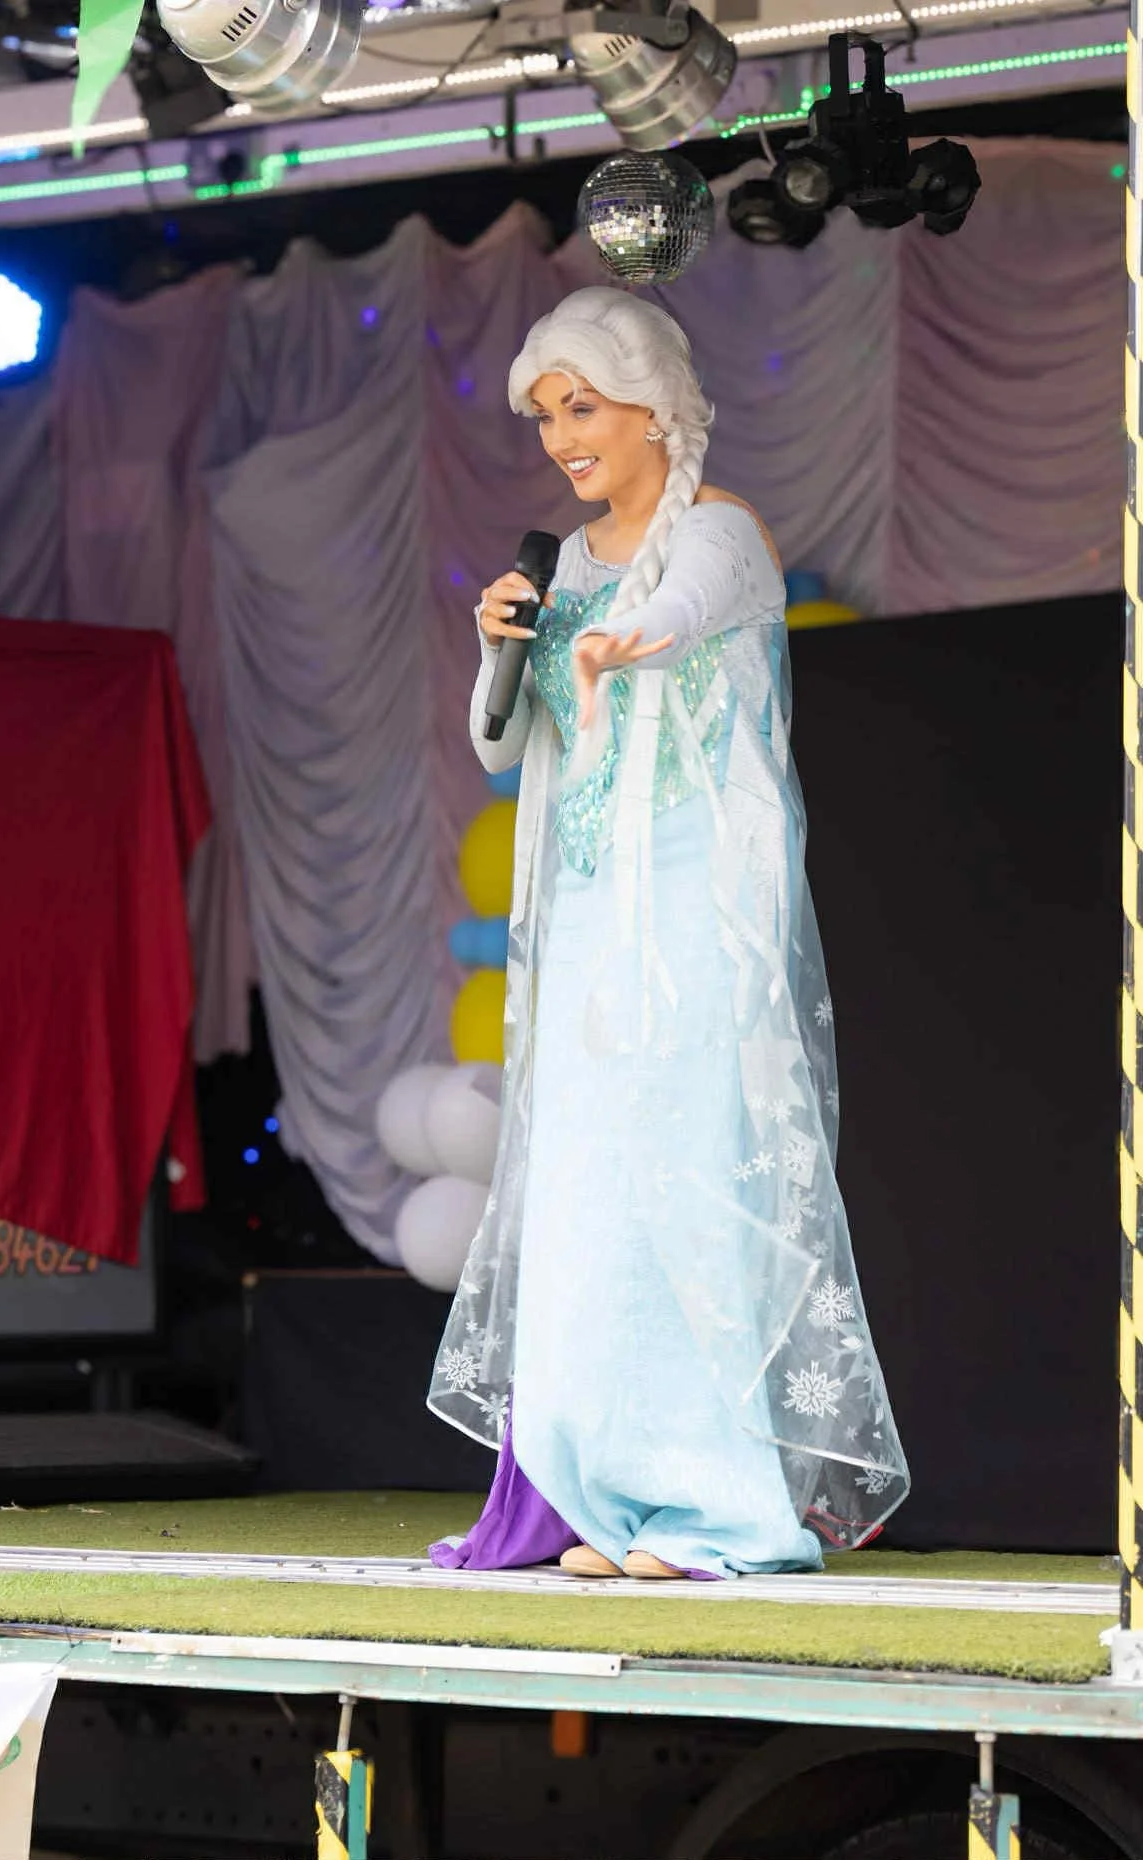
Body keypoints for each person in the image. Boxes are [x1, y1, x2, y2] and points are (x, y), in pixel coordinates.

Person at [428, 287, 908, 1581]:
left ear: (656, 405)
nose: (562, 438)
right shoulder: (567, 563)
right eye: (544, 416)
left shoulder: (723, 532)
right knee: (587, 1197)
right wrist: (508, 650)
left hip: (693, 908)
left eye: (582, 406)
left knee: (688, 1181)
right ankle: (611, 1500)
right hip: (587, 912)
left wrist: (614, 645)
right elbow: (499, 740)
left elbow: (680, 612)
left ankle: (718, 1507)